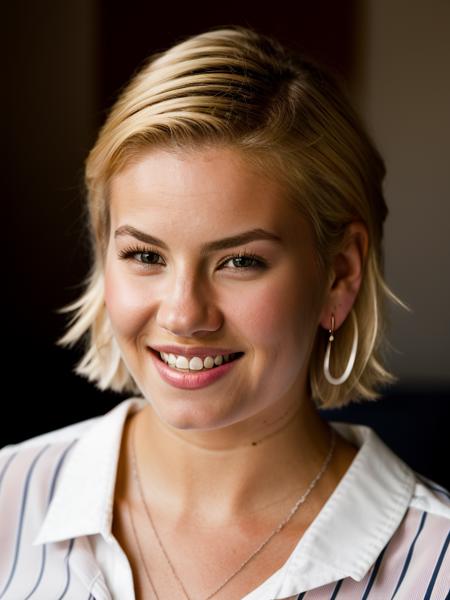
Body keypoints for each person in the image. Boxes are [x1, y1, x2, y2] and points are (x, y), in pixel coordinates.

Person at [1, 24, 449, 600]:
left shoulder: (433, 563)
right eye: (144, 255)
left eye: (239, 260)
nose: (185, 315)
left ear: (339, 274)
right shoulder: (11, 497)